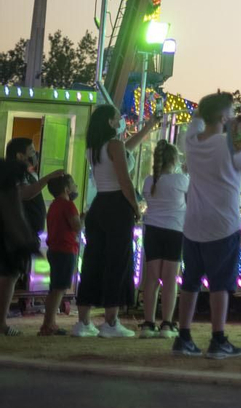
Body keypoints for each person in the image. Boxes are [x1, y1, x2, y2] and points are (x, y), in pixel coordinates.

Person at [173, 92, 241, 359]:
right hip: (223, 224)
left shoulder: (191, 142)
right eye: (231, 113)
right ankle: (218, 338)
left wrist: (208, 112)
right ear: (223, 117)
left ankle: (183, 336)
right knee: (221, 284)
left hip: (193, 224)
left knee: (190, 283)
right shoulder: (229, 144)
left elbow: (197, 120)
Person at [74, 106, 160, 338]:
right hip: (116, 206)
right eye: (117, 118)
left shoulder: (94, 148)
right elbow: (125, 180)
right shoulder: (115, 146)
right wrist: (135, 206)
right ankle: (111, 322)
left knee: (92, 262)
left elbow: (127, 149)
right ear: (111, 122)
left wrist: (149, 127)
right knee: (117, 263)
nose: (121, 121)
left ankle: (83, 321)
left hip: (99, 206)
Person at [1, 137, 66, 334]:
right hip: (11, 236)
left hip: (21, 234)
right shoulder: (12, 175)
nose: (35, 153)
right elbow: (24, 195)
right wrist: (47, 178)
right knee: (8, 276)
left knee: (11, 276)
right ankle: (2, 323)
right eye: (31, 150)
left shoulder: (28, 174)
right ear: (20, 155)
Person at [137, 139, 188, 339]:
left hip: (152, 230)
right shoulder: (182, 180)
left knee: (151, 279)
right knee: (169, 279)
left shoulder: (149, 181)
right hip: (175, 230)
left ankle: (148, 324)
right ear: (174, 160)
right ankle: (167, 323)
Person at [42, 174, 80, 336]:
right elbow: (77, 227)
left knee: (54, 288)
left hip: (54, 250)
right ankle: (49, 325)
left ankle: (48, 323)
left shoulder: (54, 205)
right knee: (59, 289)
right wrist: (85, 218)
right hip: (66, 250)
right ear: (66, 189)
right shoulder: (68, 205)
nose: (76, 187)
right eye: (73, 184)